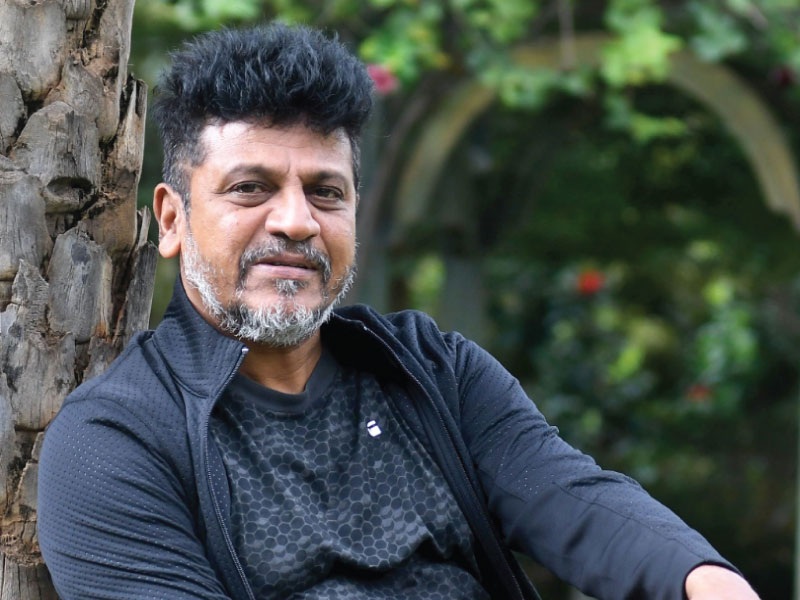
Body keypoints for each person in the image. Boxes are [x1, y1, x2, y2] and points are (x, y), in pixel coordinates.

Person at [37, 22, 760, 600]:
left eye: (326, 192)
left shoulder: (434, 371)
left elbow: (572, 499)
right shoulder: (116, 441)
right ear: (172, 218)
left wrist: (710, 583)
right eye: (250, 188)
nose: (296, 221)